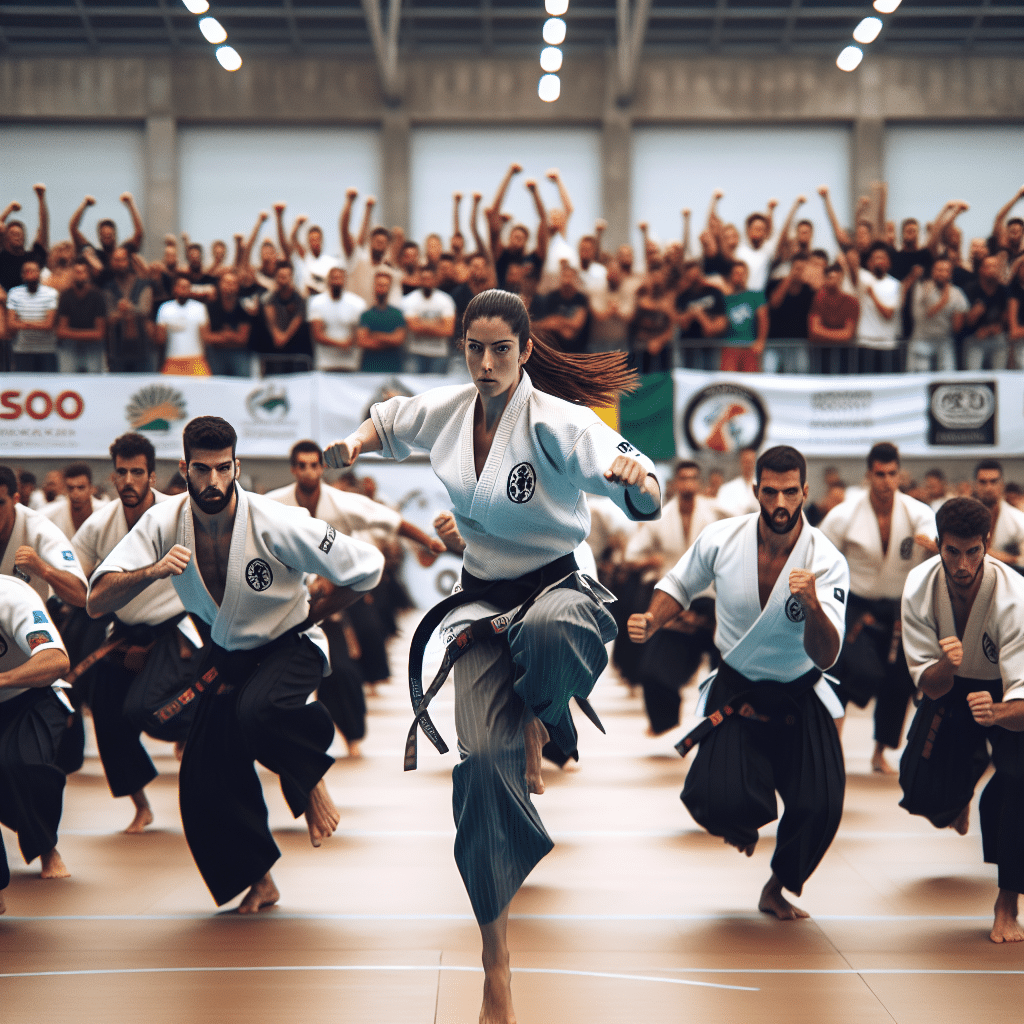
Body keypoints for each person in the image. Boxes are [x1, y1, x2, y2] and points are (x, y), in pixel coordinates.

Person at [325, 288, 661, 1024]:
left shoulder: (557, 420)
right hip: (481, 600)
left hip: (561, 593)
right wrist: (351, 446)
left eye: (500, 349)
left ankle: (549, 711)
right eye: (473, 349)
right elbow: (387, 421)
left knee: (545, 637)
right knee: (477, 770)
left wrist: (639, 485)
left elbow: (636, 478)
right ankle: (495, 963)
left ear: (525, 350)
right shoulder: (446, 410)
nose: (485, 363)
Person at [86, 416, 386, 913]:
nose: (213, 483)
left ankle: (309, 779)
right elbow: (97, 600)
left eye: (223, 469)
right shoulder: (162, 526)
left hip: (291, 646)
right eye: (201, 471)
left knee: (258, 710)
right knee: (202, 779)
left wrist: (321, 609)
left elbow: (368, 567)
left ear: (237, 465)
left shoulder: (277, 521)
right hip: (227, 655)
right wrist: (153, 570)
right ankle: (259, 880)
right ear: (184, 470)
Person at [628, 445, 848, 921]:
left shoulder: (826, 560)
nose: (781, 503)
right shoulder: (723, 537)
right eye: (771, 492)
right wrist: (652, 618)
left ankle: (778, 887)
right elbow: (679, 584)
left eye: (791, 492)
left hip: (799, 690)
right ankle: (742, 817)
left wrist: (812, 605)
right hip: (737, 688)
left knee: (822, 806)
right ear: (756, 492)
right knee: (716, 800)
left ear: (805, 492)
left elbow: (828, 655)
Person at [266, 440, 446, 755]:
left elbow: (391, 521)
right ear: (294, 469)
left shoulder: (340, 503)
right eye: (302, 465)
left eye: (314, 465)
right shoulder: (274, 504)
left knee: (343, 671)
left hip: (332, 602)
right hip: (286, 600)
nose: (309, 471)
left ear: (321, 468)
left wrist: (428, 542)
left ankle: (352, 738)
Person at [899, 497, 1024, 943]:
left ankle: (1007, 903)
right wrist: (946, 668)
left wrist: (997, 713)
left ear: (986, 544)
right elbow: (927, 685)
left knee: (1017, 781)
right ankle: (962, 788)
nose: (963, 563)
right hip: (948, 688)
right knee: (923, 794)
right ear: (938, 546)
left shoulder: (1014, 596)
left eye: (973, 551)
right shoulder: (918, 587)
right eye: (953, 552)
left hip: (1004, 692)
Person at [71, 433, 201, 833]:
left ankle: (198, 726)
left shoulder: (179, 514)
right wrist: (44, 574)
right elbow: (77, 579)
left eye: (137, 472)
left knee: (143, 709)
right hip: (124, 631)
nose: (129, 480)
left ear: (152, 475)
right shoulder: (100, 525)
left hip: (173, 631)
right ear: (113, 476)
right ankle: (141, 805)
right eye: (122, 472)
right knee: (108, 716)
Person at [819, 442, 937, 773]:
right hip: (855, 604)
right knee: (850, 670)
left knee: (899, 680)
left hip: (900, 608)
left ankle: (879, 752)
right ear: (869, 475)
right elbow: (820, 556)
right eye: (879, 474)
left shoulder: (918, 513)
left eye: (892, 474)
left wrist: (932, 548)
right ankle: (833, 745)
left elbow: (932, 539)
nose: (886, 481)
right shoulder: (844, 514)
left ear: (899, 475)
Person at [623, 461, 720, 735]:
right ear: (676, 483)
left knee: (728, 672)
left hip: (712, 601)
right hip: (673, 601)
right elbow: (632, 555)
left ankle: (724, 726)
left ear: (699, 483)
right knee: (653, 672)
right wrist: (649, 562)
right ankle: (664, 720)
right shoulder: (660, 517)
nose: (688, 484)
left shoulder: (717, 515)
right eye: (683, 478)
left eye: (693, 478)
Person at [0, 572, 74, 914]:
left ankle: (46, 847)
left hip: (35, 694)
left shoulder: (12, 595)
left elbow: (56, 661)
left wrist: (3, 679)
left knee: (19, 763)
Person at [307, 265, 366, 373]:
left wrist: (351, 340)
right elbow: (317, 334)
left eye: (339, 278)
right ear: (328, 280)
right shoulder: (317, 302)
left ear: (345, 280)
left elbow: (360, 332)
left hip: (350, 364)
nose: (337, 281)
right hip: (325, 364)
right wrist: (342, 344)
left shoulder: (358, 304)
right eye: (334, 278)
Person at [55, 256, 107, 373]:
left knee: (94, 382)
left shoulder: (97, 296)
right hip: (70, 346)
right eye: (77, 272)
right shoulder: (65, 296)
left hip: (93, 347)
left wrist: (71, 333)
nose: (80, 275)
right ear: (72, 274)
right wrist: (87, 334)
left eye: (83, 272)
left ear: (88, 274)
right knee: (67, 382)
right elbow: (60, 331)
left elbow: (99, 333)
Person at [401, 265, 457, 374]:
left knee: (439, 389)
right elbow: (414, 328)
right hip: (415, 353)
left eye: (429, 279)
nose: (427, 282)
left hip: (439, 354)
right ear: (419, 280)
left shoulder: (445, 300)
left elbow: (448, 330)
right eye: (424, 279)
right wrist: (438, 322)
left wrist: (421, 322)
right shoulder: (409, 300)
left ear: (435, 280)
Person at [5, 259, 59, 372]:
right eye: (27, 271)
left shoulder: (51, 293)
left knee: (48, 386)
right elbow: (10, 324)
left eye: (34, 270)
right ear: (22, 275)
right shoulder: (14, 293)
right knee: (24, 386)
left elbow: (49, 325)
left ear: (39, 273)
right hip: (22, 349)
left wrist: (23, 323)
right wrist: (38, 324)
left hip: (47, 350)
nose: (30, 273)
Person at [155, 274, 211, 376]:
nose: (184, 289)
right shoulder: (165, 308)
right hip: (172, 360)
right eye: (181, 286)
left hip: (196, 359)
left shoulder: (199, 308)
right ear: (175, 289)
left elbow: (205, 338)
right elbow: (160, 339)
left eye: (187, 287)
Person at [973, 459, 1024, 567]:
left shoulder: (1018, 520)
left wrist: (997, 556)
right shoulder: (963, 516)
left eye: (993, 481)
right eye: (983, 482)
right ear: (975, 485)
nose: (988, 488)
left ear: (1001, 484)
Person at [201, 269, 252, 377]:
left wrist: (221, 337)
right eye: (226, 282)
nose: (229, 286)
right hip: (216, 354)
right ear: (219, 285)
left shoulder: (244, 307)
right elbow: (207, 337)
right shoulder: (210, 307)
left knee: (242, 386)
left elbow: (243, 339)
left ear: (238, 286)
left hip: (239, 354)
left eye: (233, 283)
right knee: (217, 387)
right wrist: (231, 336)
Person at [721, 261, 767, 373]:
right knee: (730, 382)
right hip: (730, 346)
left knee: (751, 382)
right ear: (731, 276)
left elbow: (763, 317)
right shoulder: (724, 299)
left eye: (742, 274)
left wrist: (761, 341)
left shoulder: (755, 295)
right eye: (736, 273)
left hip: (750, 346)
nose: (739, 276)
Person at [357, 270, 406, 374]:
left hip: (392, 369)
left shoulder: (397, 314)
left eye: (385, 285)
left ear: (390, 288)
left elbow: (398, 340)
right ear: (374, 286)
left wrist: (375, 335)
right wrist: (389, 340)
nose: (382, 288)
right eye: (379, 285)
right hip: (369, 369)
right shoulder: (366, 315)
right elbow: (363, 341)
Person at [42, 462, 102, 540]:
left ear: (91, 488)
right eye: (70, 488)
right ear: (65, 488)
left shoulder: (105, 511)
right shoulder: (49, 514)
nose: (75, 494)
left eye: (81, 488)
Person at [715, 447, 761, 518]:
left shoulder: (761, 487)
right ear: (740, 462)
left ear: (755, 463)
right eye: (746, 461)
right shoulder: (727, 488)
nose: (748, 465)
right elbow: (721, 511)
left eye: (751, 461)